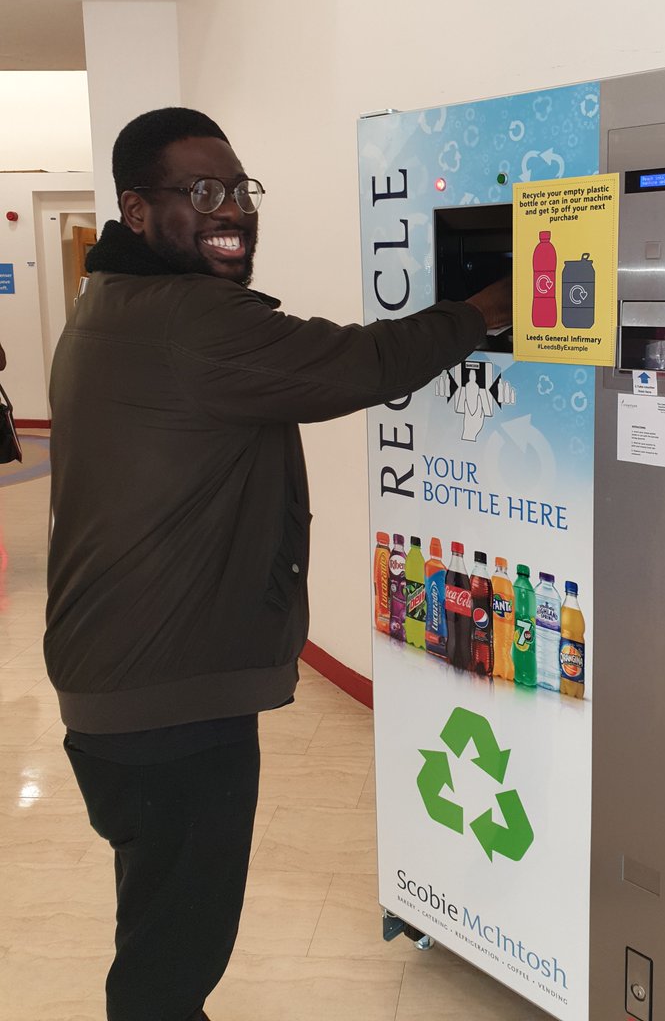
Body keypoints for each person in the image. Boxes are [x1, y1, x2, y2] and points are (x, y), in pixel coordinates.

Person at [44, 107, 511, 1021]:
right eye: (202, 192)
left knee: (159, 918)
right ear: (136, 211)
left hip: (114, 687)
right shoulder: (193, 323)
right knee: (173, 957)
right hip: (171, 701)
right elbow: (356, 363)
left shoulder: (106, 308)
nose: (232, 211)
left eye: (241, 190)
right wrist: (484, 311)